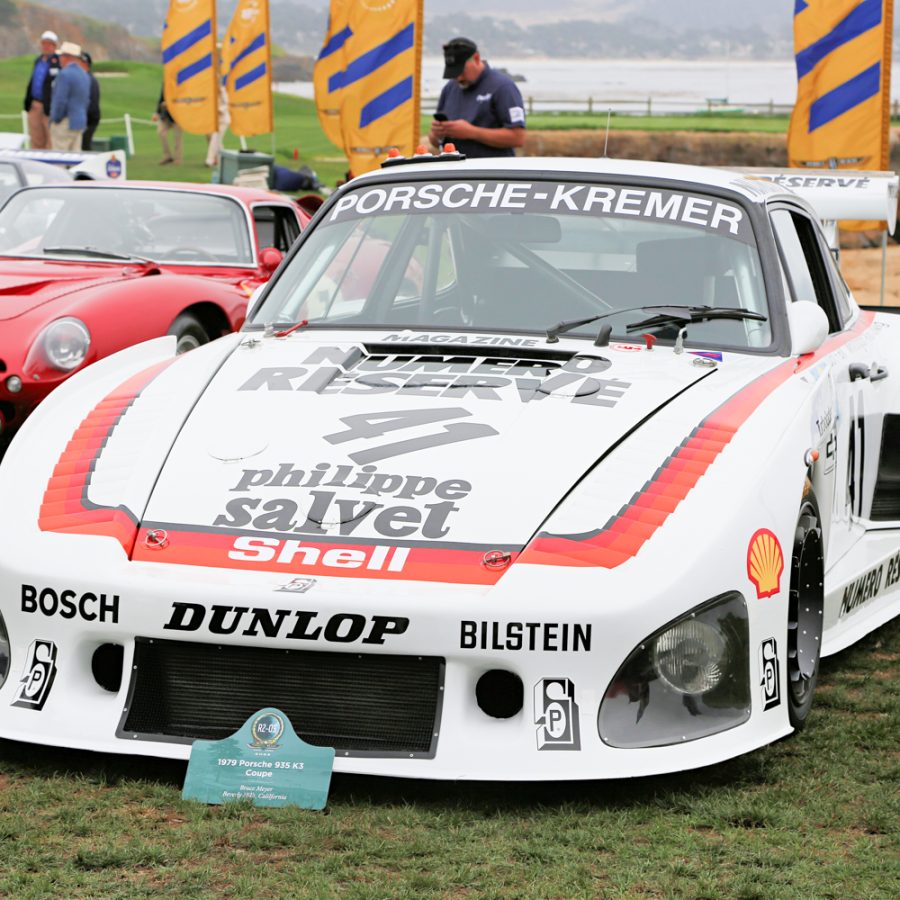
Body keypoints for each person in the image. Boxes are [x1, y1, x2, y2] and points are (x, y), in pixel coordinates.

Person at [428, 37, 526, 159]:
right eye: (454, 73)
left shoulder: (503, 87)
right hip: (456, 173)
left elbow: (518, 138)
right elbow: (435, 142)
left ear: (476, 58)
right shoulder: (450, 88)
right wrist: (436, 134)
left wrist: (472, 132)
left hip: (492, 173)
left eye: (462, 71)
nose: (459, 78)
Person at [49, 42, 91, 151]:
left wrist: (56, 119)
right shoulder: (84, 75)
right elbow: (86, 101)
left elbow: (60, 101)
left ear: (66, 57)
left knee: (59, 159)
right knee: (75, 158)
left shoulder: (64, 74)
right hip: (79, 122)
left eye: (61, 56)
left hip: (65, 122)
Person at [23, 30, 60, 150]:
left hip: (50, 107)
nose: (46, 46)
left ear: (54, 46)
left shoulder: (58, 63)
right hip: (35, 105)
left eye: (49, 44)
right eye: (44, 43)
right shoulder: (38, 61)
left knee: (50, 140)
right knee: (36, 139)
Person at [152, 89, 182, 165]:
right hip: (166, 115)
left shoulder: (180, 81)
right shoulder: (166, 81)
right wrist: (157, 112)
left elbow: (182, 98)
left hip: (177, 115)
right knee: (161, 132)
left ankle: (177, 159)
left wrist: (169, 103)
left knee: (177, 138)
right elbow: (161, 98)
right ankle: (167, 156)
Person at [79, 51, 101, 151]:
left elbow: (91, 104)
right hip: (88, 119)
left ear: (85, 64)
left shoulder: (89, 79)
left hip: (89, 120)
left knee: (85, 147)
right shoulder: (85, 78)